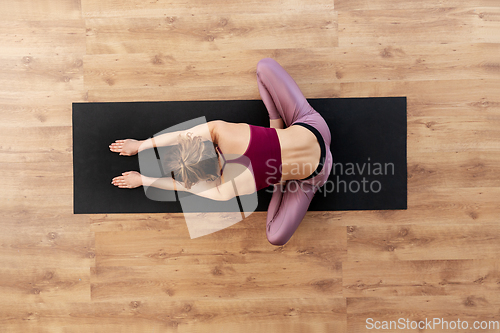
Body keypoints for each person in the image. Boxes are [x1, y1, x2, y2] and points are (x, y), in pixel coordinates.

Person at [109, 58, 333, 246]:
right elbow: (179, 136)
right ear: (205, 146)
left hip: (316, 176)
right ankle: (275, 127)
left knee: (275, 236)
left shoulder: (224, 189)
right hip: (314, 126)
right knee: (264, 66)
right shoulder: (221, 131)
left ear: (205, 178)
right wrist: (140, 144)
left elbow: (180, 187)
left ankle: (280, 183)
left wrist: (143, 180)